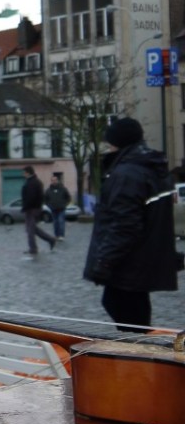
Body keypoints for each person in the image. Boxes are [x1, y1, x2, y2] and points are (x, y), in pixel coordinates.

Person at [83, 118, 178, 333]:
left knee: (126, 313)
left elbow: (124, 225)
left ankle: (141, 360)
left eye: (109, 142)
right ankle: (140, 354)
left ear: (117, 143)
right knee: (131, 310)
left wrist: (103, 262)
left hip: (130, 262)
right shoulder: (152, 168)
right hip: (143, 258)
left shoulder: (127, 174)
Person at [20, 165, 57, 257]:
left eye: (24, 172)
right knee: (33, 229)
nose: (23, 174)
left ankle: (33, 248)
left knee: (30, 230)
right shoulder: (35, 182)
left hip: (31, 209)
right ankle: (50, 239)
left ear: (28, 172)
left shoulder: (32, 183)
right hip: (35, 208)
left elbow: (31, 197)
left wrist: (25, 207)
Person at [45, 172, 72, 241]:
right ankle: (56, 235)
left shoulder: (63, 189)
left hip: (61, 209)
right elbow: (45, 199)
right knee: (55, 223)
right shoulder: (48, 190)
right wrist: (49, 205)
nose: (54, 181)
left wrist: (65, 204)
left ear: (57, 180)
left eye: (55, 180)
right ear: (51, 181)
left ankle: (61, 235)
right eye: (52, 180)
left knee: (61, 222)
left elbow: (68, 197)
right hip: (53, 209)